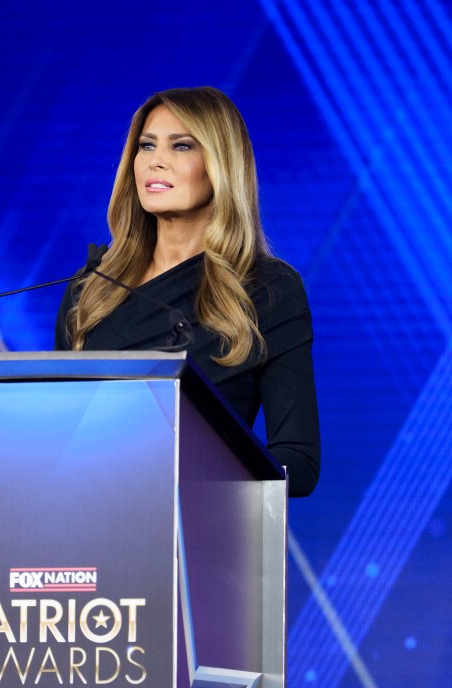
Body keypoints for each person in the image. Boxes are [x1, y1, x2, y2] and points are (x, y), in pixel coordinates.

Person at [55, 86, 320, 497]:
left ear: (220, 165)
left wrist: (208, 477)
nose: (155, 160)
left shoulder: (267, 289)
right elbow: (58, 437)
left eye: (181, 146)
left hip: (198, 523)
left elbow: (298, 460)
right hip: (86, 518)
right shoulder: (91, 289)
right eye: (146, 145)